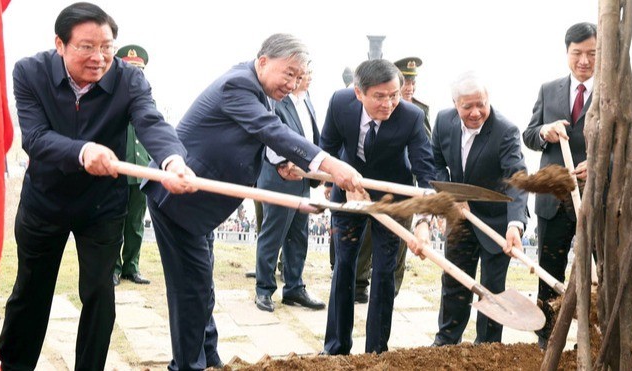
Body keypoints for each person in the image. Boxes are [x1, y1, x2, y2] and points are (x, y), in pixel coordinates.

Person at [141, 33, 363, 370]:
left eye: (299, 77)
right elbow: (270, 129)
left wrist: (281, 164)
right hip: (178, 200)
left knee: (201, 283)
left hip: (202, 205)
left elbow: (258, 137)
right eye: (289, 73)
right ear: (263, 61)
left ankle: (208, 358)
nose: (293, 83)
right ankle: (188, 366)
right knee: (191, 288)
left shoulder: (259, 89)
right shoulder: (238, 85)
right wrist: (330, 164)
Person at [0, 3, 193, 370]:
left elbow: (151, 121)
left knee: (100, 292)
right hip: (45, 202)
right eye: (87, 46)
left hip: (102, 205)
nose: (99, 58)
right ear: (60, 44)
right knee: (30, 292)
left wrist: (172, 160)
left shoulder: (129, 79)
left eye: (107, 46)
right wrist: (82, 151)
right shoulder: (30, 72)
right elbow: (35, 138)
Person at [320, 59, 435, 355]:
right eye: (380, 97)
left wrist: (425, 217)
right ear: (359, 93)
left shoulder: (411, 116)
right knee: (344, 265)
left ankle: (376, 352)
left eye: (394, 95)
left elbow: (425, 170)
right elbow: (327, 147)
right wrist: (332, 184)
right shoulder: (339, 103)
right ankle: (336, 347)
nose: (389, 104)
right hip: (348, 190)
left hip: (391, 197)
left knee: (384, 272)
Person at [430, 71, 528, 346]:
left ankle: (487, 347)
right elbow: (435, 161)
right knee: (454, 282)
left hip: (496, 221)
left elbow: (516, 178)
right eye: (467, 106)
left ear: (488, 100)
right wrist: (450, 194)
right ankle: (446, 342)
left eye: (481, 104)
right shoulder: (442, 121)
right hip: (459, 217)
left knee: (492, 289)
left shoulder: (505, 131)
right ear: (454, 104)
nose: (476, 112)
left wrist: (514, 225)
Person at [521, 21, 596, 349]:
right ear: (567, 53)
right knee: (549, 271)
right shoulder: (548, 89)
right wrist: (544, 132)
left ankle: (591, 339)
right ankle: (546, 340)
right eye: (577, 53)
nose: (584, 60)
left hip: (595, 200)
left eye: (592, 53)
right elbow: (529, 134)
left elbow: (626, 143)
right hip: (552, 201)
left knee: (596, 273)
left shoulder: (613, 90)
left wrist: (599, 164)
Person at [255, 67, 325, 312]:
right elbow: (270, 138)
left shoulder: (307, 102)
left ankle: (294, 288)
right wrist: (285, 162)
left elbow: (313, 138)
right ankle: (264, 290)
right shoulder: (277, 102)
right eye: (305, 72)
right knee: (273, 234)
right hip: (280, 176)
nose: (310, 75)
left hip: (303, 178)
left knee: (299, 235)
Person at [113, 44, 152, 286]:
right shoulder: (113, 98)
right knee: (116, 223)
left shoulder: (146, 98)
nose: (136, 73)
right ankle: (114, 268)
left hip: (141, 172)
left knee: (136, 225)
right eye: (130, 68)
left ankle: (131, 266)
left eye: (139, 69)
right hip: (118, 171)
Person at [394, 56, 431, 137]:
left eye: (413, 83)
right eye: (406, 83)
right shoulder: (388, 106)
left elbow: (427, 141)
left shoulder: (421, 108)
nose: (410, 88)